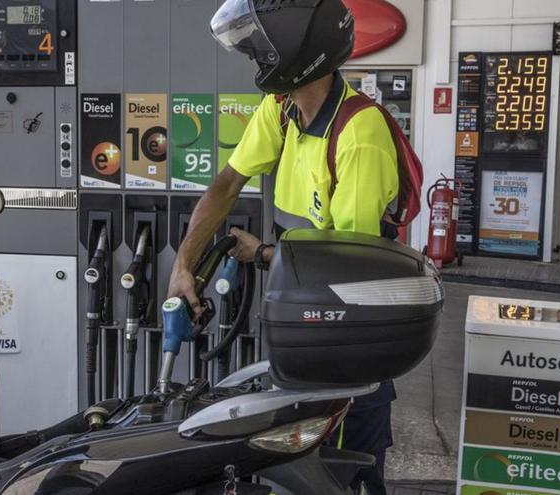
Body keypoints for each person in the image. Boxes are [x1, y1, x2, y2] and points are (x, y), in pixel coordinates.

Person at [167, 1, 399, 493]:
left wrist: (267, 254)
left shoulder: (360, 133)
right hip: (306, 328)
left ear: (299, 52)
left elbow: (348, 272)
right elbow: (227, 183)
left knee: (342, 476)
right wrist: (184, 264)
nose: (257, 63)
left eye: (262, 52)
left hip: (349, 350)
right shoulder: (283, 108)